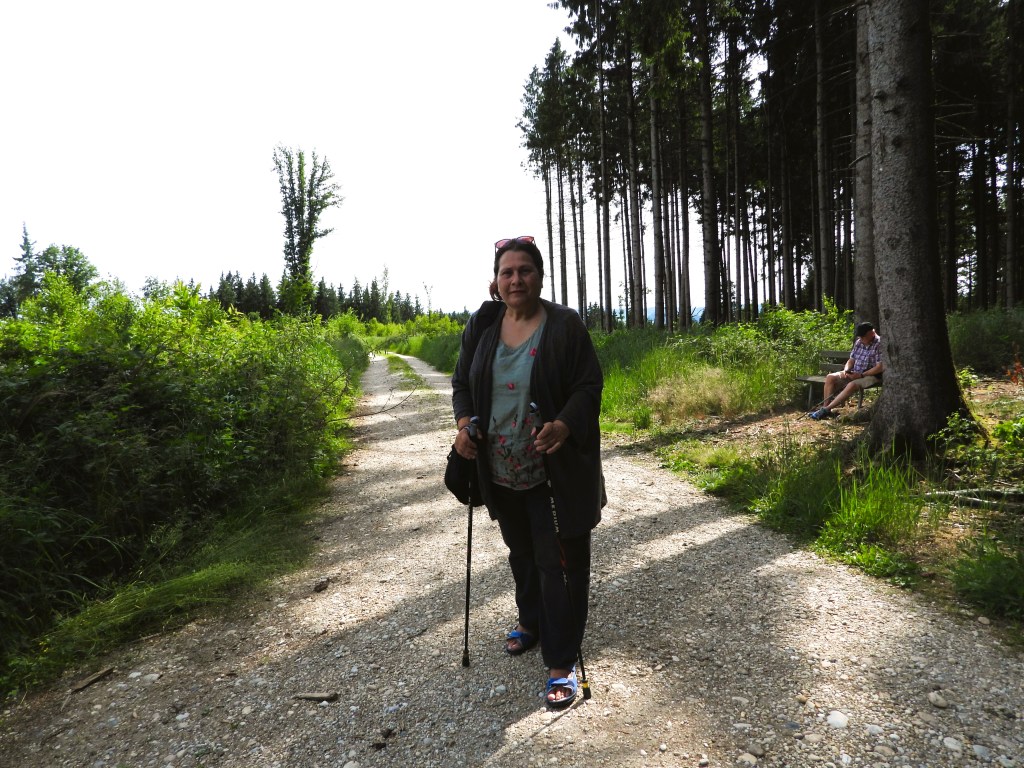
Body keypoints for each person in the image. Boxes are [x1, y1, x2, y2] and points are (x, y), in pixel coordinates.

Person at [451, 235, 604, 709]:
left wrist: (564, 425)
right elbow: (462, 384)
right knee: (522, 554)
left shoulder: (563, 326)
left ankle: (562, 664)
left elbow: (588, 385)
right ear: (495, 282)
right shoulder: (483, 324)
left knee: (561, 563)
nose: (516, 279)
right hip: (499, 470)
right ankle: (533, 623)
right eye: (507, 272)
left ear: (540, 276)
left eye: (525, 270)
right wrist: (462, 425)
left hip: (552, 470)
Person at [809, 321, 884, 420]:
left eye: (863, 337)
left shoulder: (879, 343)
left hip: (870, 375)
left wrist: (861, 375)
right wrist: (846, 370)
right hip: (854, 373)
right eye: (859, 337)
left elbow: (880, 367)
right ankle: (825, 409)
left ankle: (826, 409)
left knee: (851, 385)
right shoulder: (859, 342)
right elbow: (851, 359)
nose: (860, 339)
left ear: (871, 333)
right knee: (830, 377)